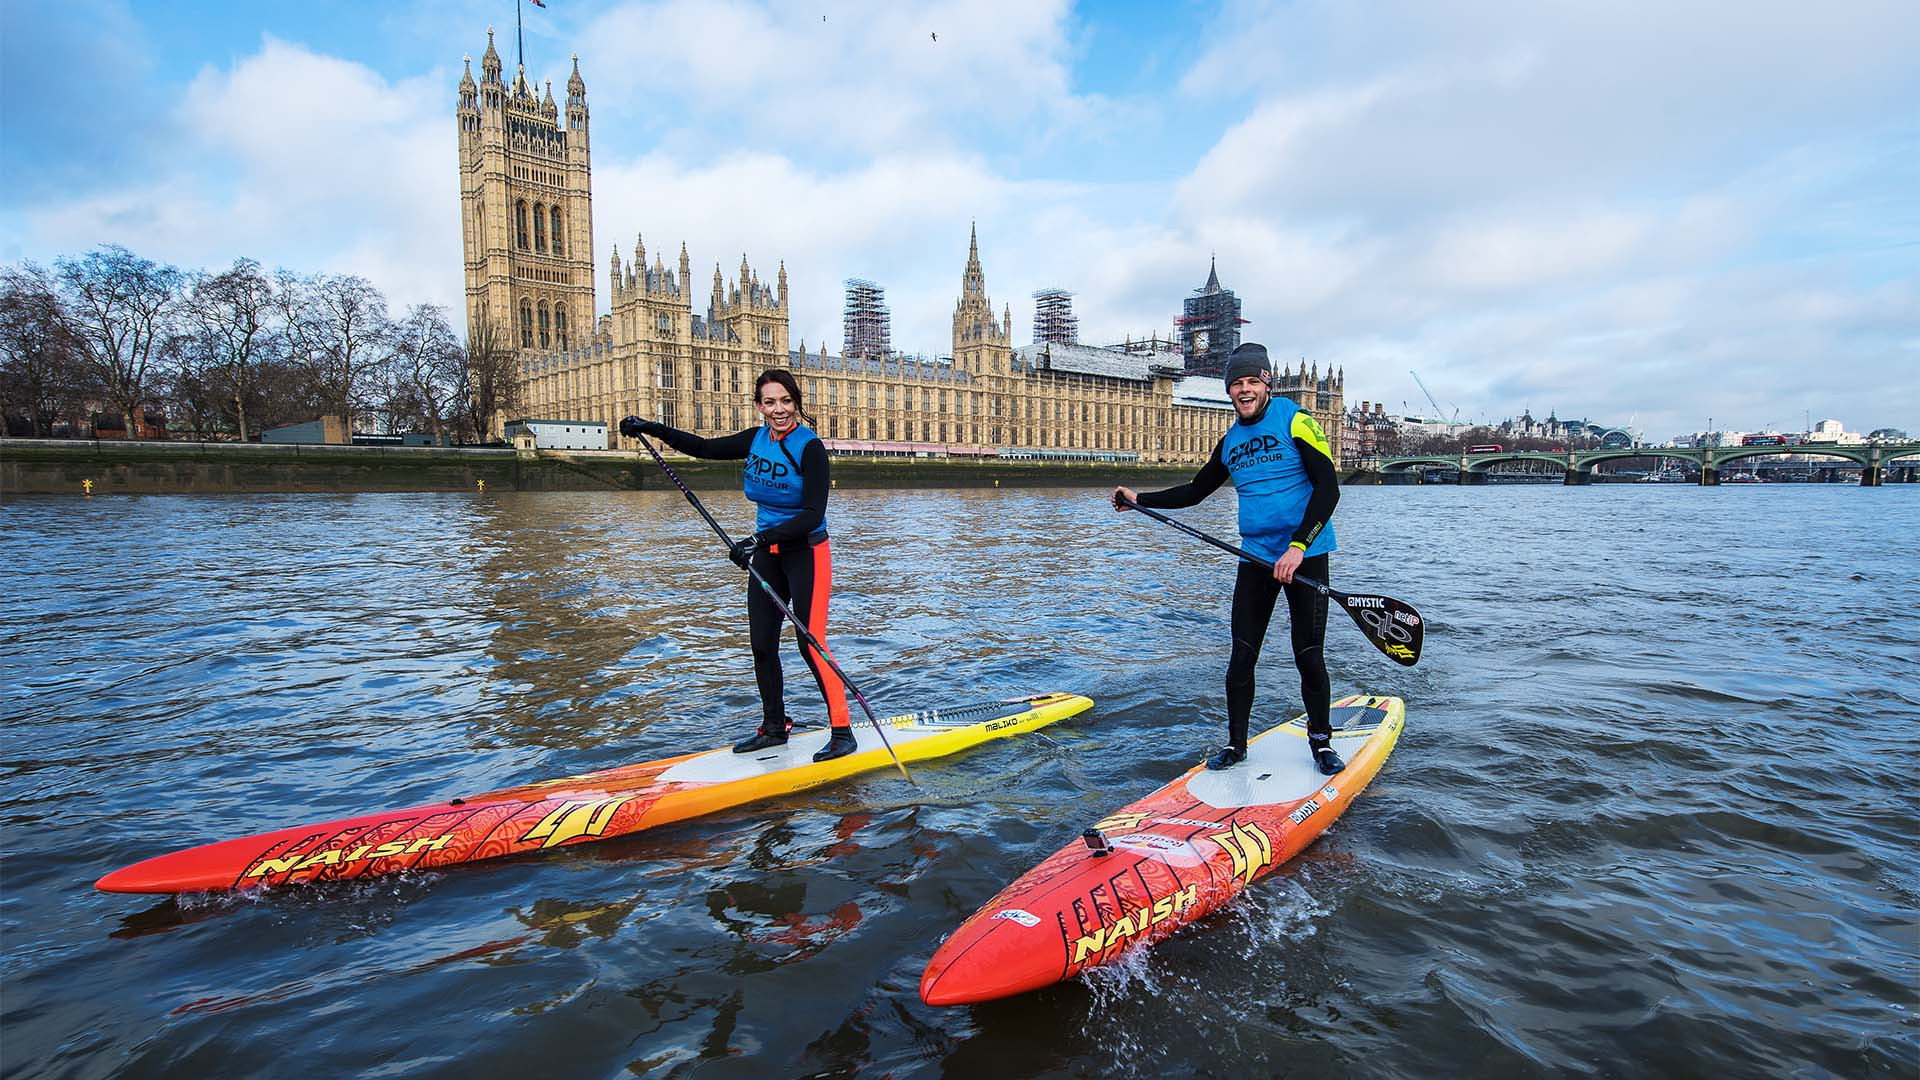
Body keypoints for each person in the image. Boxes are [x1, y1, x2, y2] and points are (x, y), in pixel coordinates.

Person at [1113, 342, 1345, 774]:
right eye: (1236, 384)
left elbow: (1328, 488)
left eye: (1251, 382)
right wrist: (1139, 499)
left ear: (1267, 383)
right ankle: (1237, 745)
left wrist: (1297, 547)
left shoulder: (1298, 420)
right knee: (1242, 654)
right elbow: (1195, 491)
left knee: (1307, 653)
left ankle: (1322, 743)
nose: (1243, 390)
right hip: (1255, 558)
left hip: (1306, 554)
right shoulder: (1231, 440)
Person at [619, 369, 856, 762]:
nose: (778, 410)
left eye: (785, 401)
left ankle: (843, 732)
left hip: (806, 554)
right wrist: (653, 427)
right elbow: (703, 448)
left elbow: (813, 514)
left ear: (796, 402)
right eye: (769, 402)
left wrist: (759, 539)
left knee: (810, 645)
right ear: (759, 406)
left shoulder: (809, 447)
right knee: (762, 646)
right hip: (766, 555)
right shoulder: (756, 439)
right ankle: (775, 728)